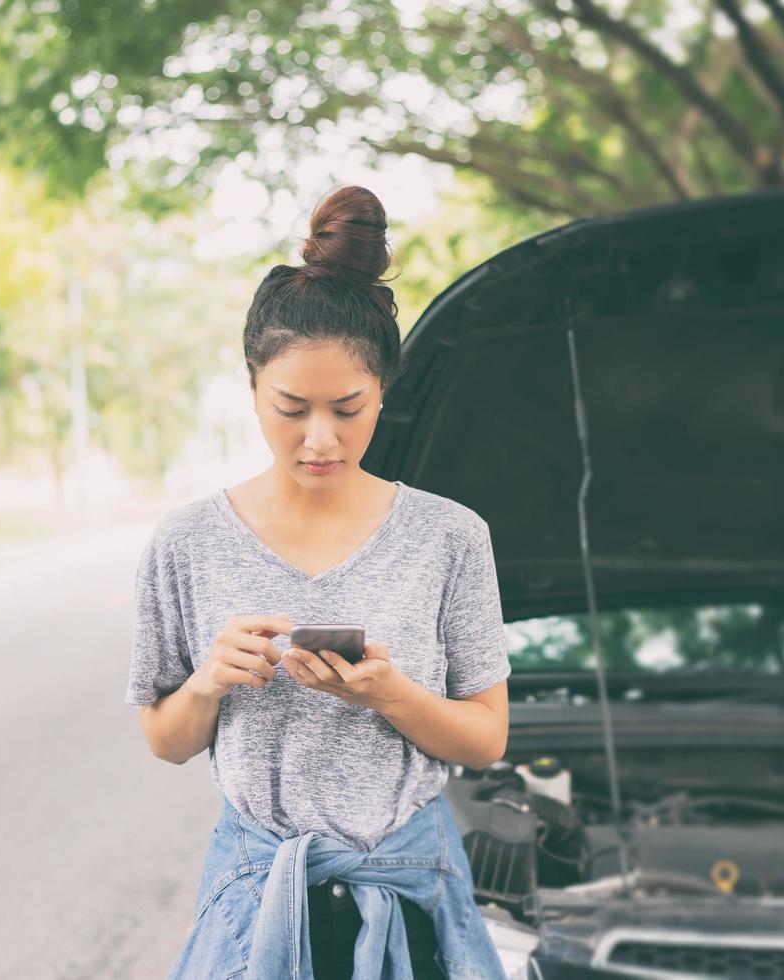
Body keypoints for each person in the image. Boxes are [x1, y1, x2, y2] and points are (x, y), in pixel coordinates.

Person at [125, 184, 512, 979]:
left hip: (413, 900)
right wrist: (208, 684)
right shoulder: (186, 542)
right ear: (252, 388)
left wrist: (388, 696)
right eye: (291, 408)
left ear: (385, 391)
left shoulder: (452, 537)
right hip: (254, 896)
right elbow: (165, 741)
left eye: (349, 407)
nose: (320, 439)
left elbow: (486, 737)